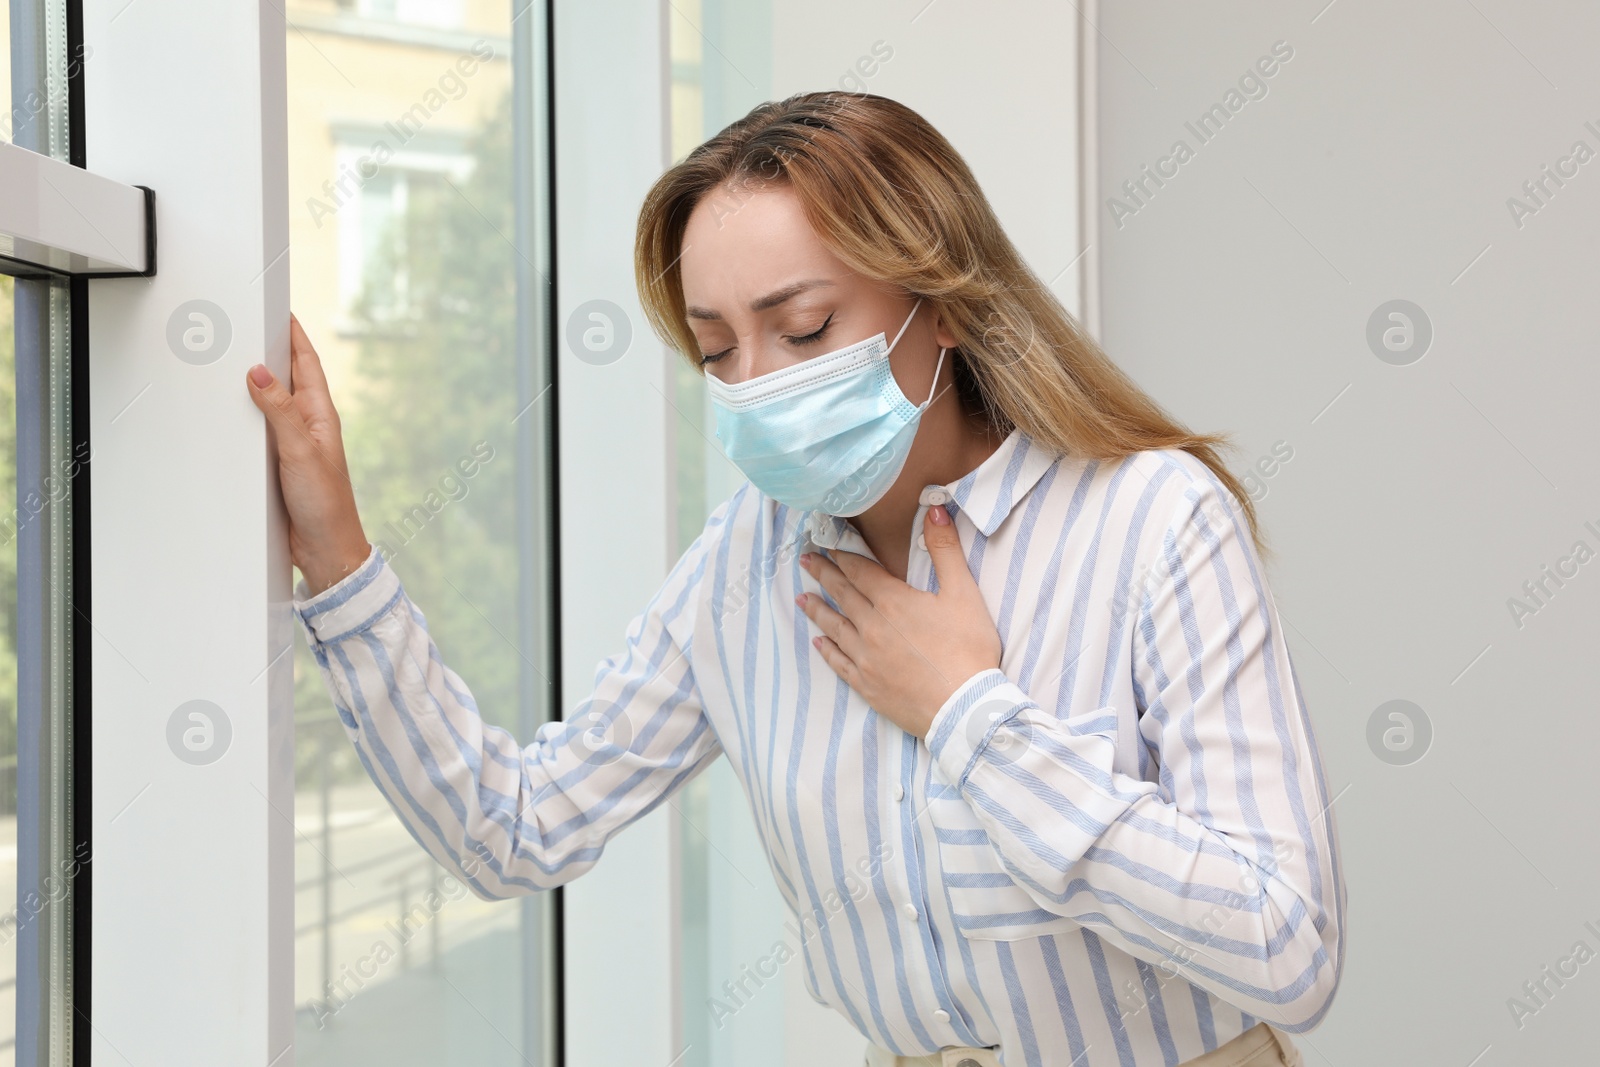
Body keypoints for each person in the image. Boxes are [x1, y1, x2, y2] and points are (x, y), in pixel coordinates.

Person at [245, 90, 1342, 1067]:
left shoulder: (1150, 520)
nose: (756, 386)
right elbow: (514, 825)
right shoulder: (745, 564)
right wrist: (339, 556)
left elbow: (1286, 944)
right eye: (717, 349)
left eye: (804, 328)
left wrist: (969, 715)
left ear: (945, 301)